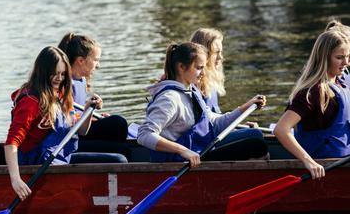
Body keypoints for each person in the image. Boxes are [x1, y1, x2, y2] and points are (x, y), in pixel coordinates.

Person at [5, 46, 128, 201]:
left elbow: (81, 131)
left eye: (63, 74)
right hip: (38, 162)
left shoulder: (60, 92)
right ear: (43, 72)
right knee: (119, 161)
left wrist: (88, 110)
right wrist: (15, 179)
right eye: (55, 74)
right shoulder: (31, 102)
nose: (59, 78)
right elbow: (11, 143)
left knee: (121, 152)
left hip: (60, 155)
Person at [137, 42, 267, 164]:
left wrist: (246, 107)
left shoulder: (192, 91)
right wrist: (182, 150)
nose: (203, 73)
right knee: (256, 146)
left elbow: (215, 124)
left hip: (201, 151)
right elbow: (144, 135)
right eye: (199, 68)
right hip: (182, 162)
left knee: (255, 137)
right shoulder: (169, 99)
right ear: (181, 67)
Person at [273, 29, 350, 179]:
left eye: (348, 57)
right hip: (326, 167)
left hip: (344, 160)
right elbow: (281, 129)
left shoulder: (342, 85)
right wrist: (309, 162)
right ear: (324, 58)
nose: (346, 63)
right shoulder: (313, 92)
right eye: (339, 57)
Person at [58, 33, 131, 160]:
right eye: (96, 60)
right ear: (81, 61)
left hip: (80, 132)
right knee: (122, 145)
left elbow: (79, 115)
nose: (98, 65)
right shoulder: (64, 84)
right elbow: (70, 126)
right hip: (69, 141)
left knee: (117, 125)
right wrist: (88, 110)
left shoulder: (81, 80)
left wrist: (94, 117)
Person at [190, 27, 265, 147]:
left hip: (213, 134)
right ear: (204, 54)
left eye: (221, 52)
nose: (220, 58)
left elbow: (217, 120)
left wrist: (239, 126)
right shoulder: (195, 84)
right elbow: (212, 126)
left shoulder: (209, 82)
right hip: (204, 143)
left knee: (254, 133)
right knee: (255, 135)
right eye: (216, 53)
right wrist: (246, 108)